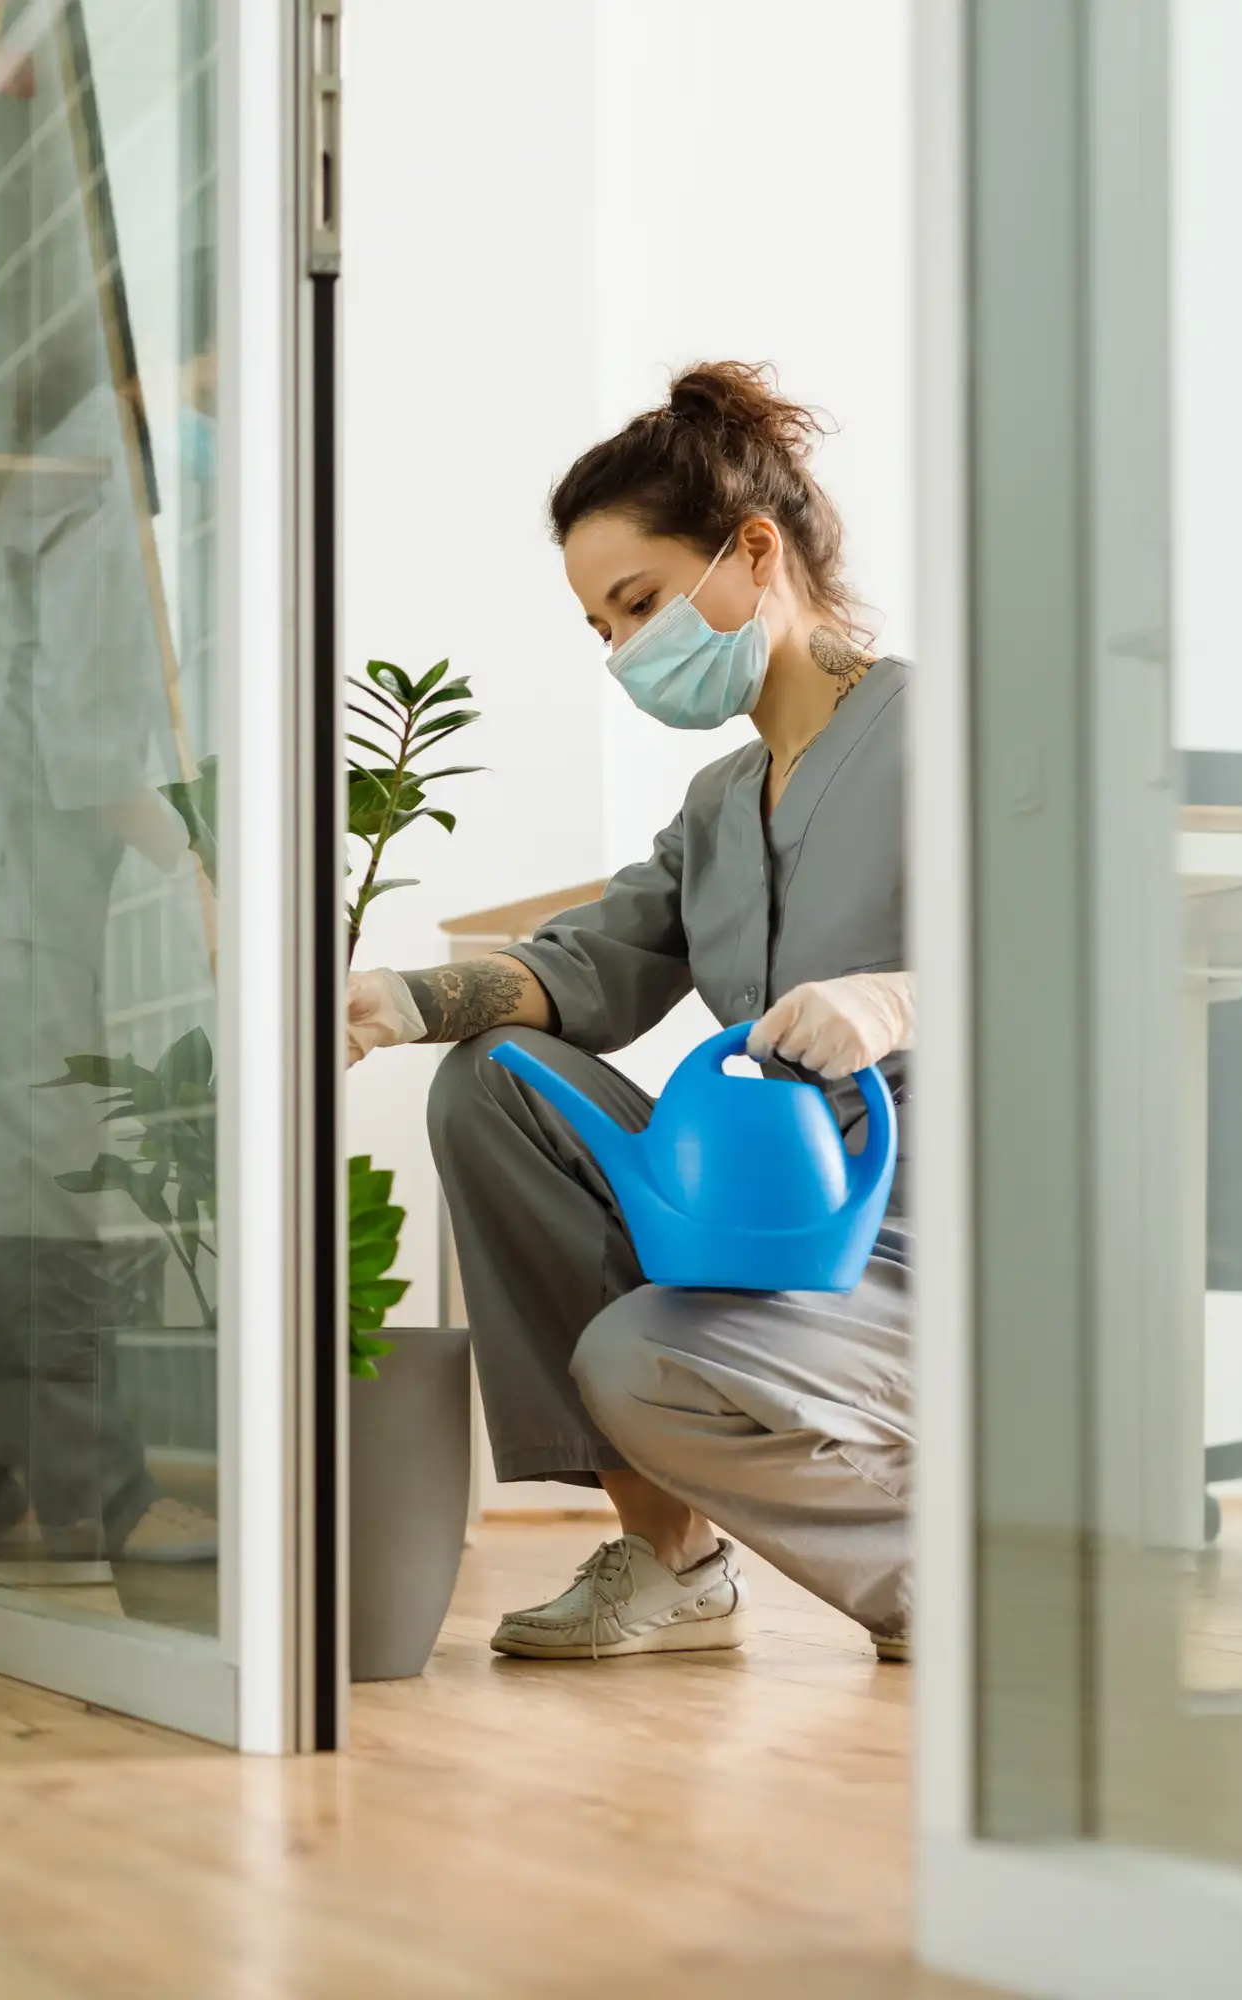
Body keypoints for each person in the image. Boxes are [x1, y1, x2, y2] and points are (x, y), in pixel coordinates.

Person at [347, 362, 914, 1663]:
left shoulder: (950, 735)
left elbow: (1083, 954)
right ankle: (670, 1558)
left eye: (641, 604)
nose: (623, 653)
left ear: (753, 551)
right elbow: (590, 967)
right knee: (496, 1082)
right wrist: (393, 1001)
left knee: (640, 1357)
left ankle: (958, 1586)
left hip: (935, 1245)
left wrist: (900, 999)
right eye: (602, 628)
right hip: (778, 1226)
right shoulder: (722, 806)